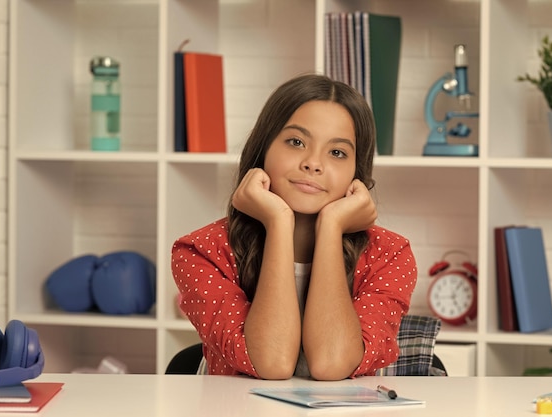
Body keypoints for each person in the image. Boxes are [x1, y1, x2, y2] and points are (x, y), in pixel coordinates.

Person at [171, 73, 417, 381]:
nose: (313, 163)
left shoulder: (390, 255)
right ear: (263, 149)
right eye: (296, 142)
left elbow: (331, 363)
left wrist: (331, 227)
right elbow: (272, 363)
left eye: (337, 152)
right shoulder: (202, 251)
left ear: (357, 170)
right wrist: (278, 222)